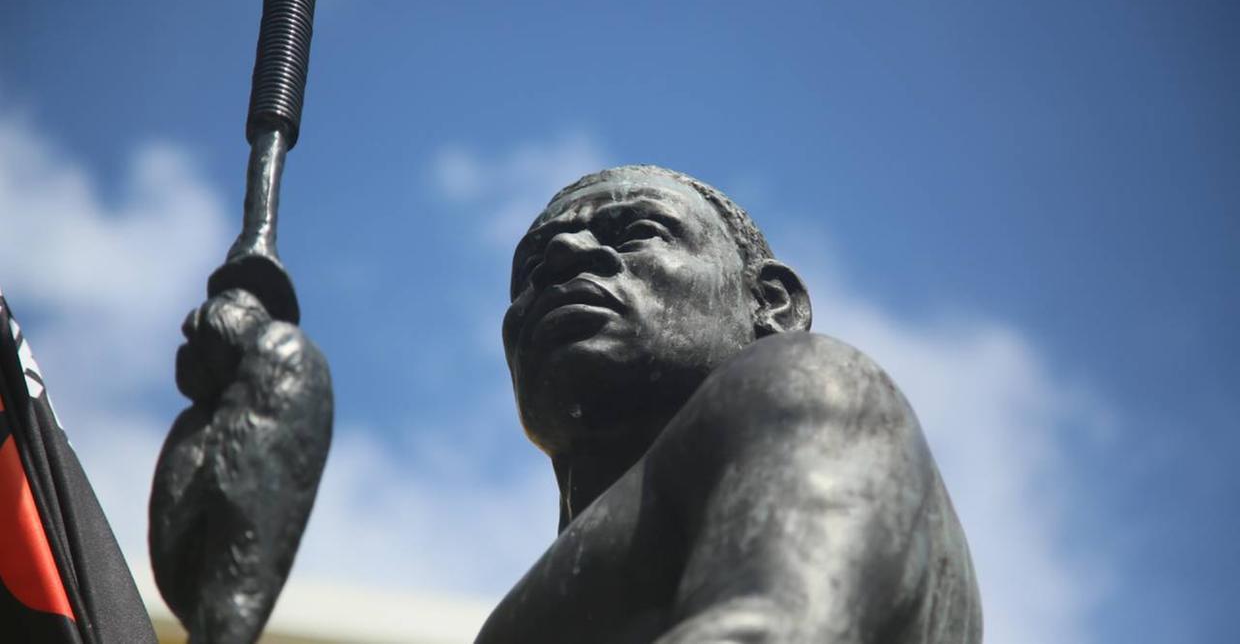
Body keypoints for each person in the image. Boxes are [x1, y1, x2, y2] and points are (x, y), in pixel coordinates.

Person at [171, 164, 981, 643]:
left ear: (771, 305)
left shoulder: (806, 383)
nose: (563, 254)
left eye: (636, 232)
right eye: (528, 270)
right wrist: (224, 607)